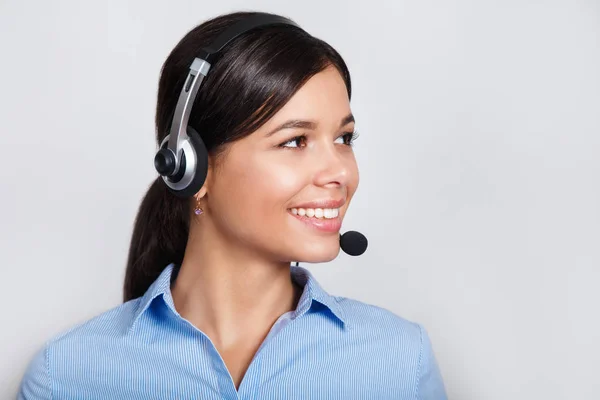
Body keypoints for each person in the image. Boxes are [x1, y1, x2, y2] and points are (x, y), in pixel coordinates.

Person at [18, 11, 447, 399]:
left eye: (344, 139)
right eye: (295, 141)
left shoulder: (399, 362)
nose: (340, 172)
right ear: (190, 168)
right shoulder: (68, 375)